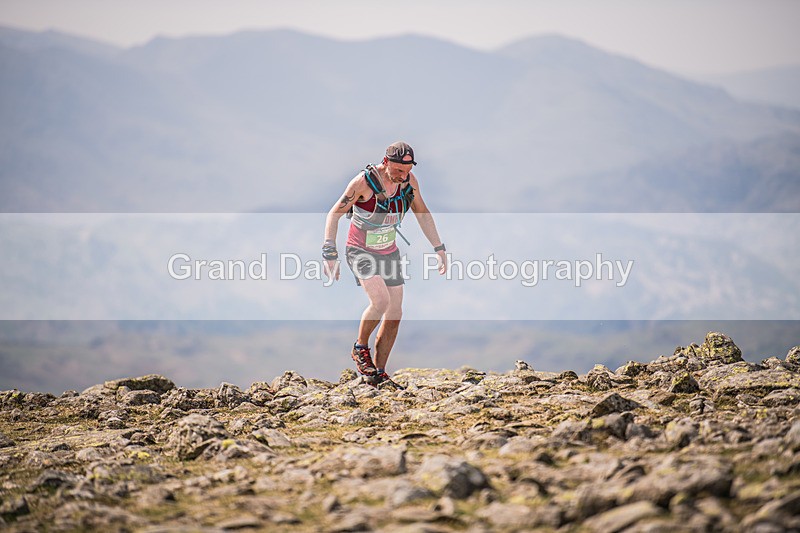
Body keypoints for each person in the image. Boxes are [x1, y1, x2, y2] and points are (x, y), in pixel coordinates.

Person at [322, 141, 447, 389]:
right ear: (386, 162)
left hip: (388, 252)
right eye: (399, 170)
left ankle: (378, 374)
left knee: (395, 313)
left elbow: (422, 212)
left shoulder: (409, 182)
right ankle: (360, 347)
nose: (404, 176)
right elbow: (334, 213)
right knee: (380, 301)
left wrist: (439, 247)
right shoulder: (363, 183)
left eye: (408, 170)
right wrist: (329, 251)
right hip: (360, 250)